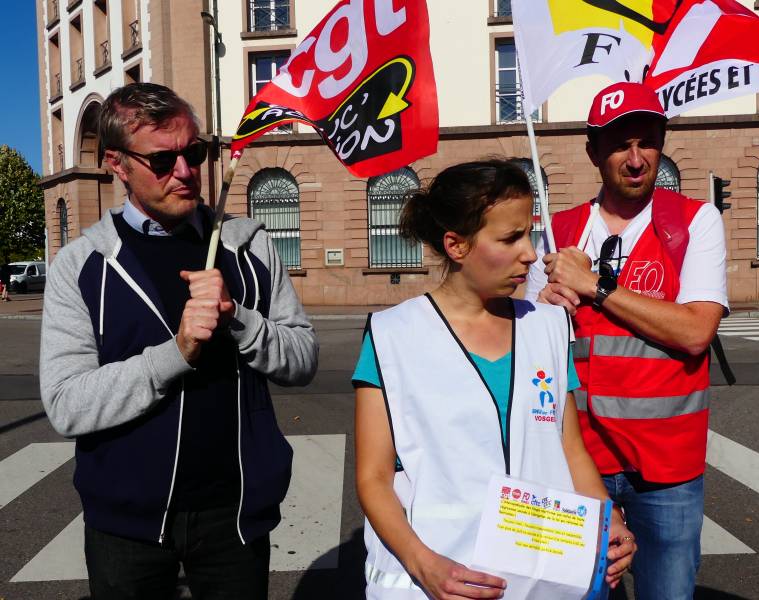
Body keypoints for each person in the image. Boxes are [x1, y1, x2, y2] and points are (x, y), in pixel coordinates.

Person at [39, 82, 318, 600]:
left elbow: (302, 360)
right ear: (117, 165)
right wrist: (176, 354)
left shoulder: (247, 246)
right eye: (162, 160)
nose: (186, 172)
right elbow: (66, 404)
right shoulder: (81, 266)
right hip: (126, 524)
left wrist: (240, 322)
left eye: (194, 153)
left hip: (236, 515)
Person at [354, 160, 636, 599]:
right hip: (441, 579)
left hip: (544, 578)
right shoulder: (393, 335)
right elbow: (373, 476)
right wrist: (423, 565)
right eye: (510, 238)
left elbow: (571, 450)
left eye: (529, 232)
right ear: (457, 246)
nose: (531, 253)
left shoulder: (549, 326)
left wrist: (608, 520)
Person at [525, 82, 728, 600]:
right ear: (593, 152)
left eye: (648, 142)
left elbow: (694, 331)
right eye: (620, 144)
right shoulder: (556, 232)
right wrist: (542, 309)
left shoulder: (695, 221)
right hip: (578, 462)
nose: (636, 159)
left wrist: (595, 286)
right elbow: (525, 347)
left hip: (667, 470)